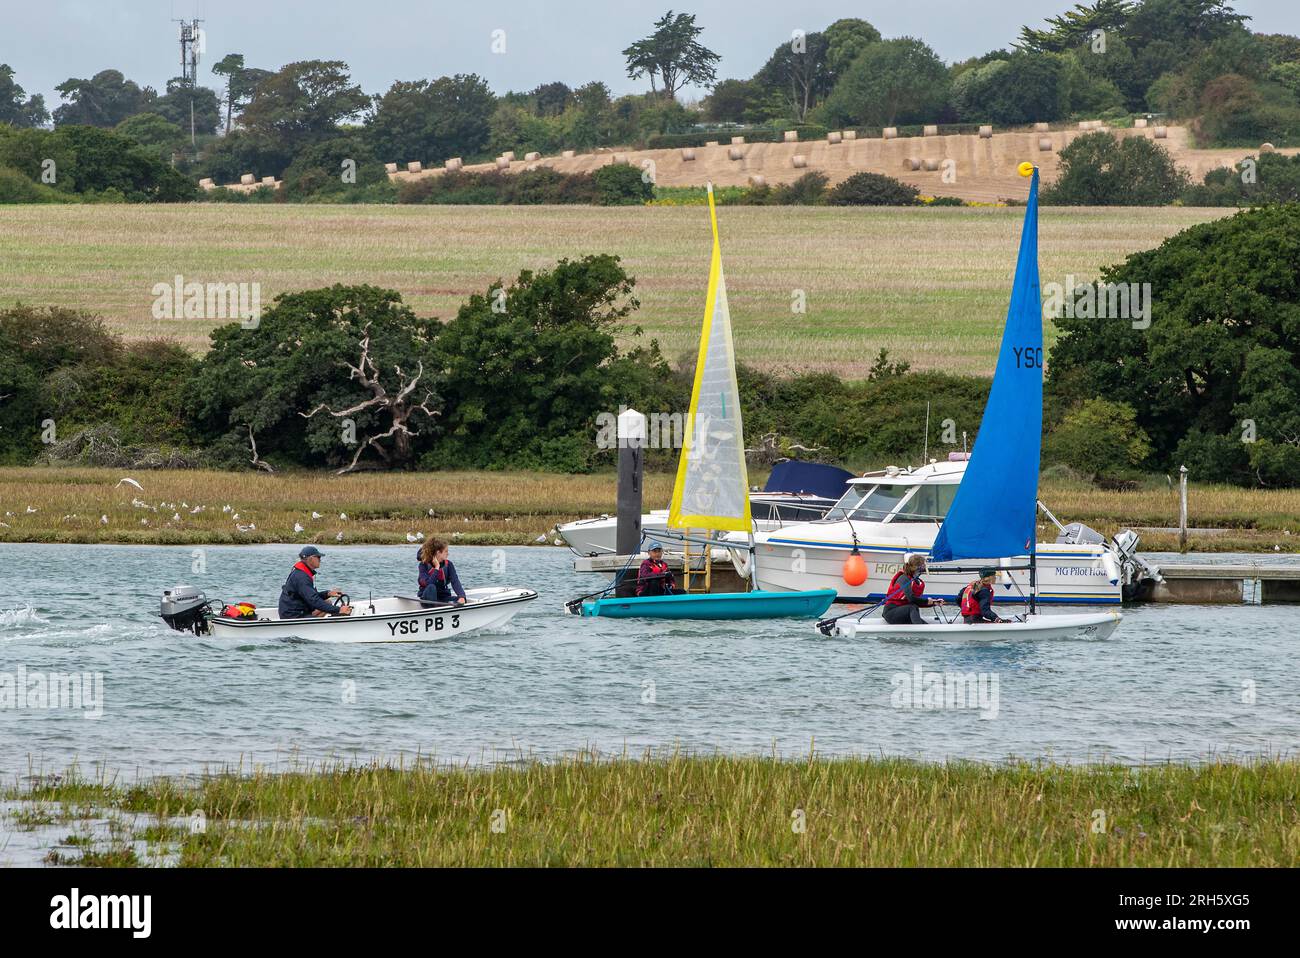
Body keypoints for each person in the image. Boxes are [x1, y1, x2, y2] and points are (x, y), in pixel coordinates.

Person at [278, 546, 351, 619]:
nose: (320, 560)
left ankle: (316, 625)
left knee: (327, 602)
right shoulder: (301, 577)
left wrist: (328, 593)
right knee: (327, 605)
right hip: (292, 615)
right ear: (311, 558)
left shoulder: (302, 572)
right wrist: (339, 610)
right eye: (318, 557)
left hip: (296, 610)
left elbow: (311, 596)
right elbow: (313, 600)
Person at [881, 554, 945, 625]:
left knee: (915, 609)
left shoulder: (915, 581)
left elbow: (916, 601)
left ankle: (921, 630)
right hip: (891, 612)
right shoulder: (904, 578)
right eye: (923, 566)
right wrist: (927, 601)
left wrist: (933, 603)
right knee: (913, 607)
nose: (924, 568)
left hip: (903, 612)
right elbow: (911, 598)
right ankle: (919, 631)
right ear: (917, 567)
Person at [418, 536, 467, 604]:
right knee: (431, 587)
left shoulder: (449, 564)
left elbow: (455, 581)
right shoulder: (423, 565)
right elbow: (429, 583)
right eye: (446, 551)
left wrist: (462, 596)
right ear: (438, 553)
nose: (448, 554)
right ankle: (432, 612)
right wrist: (437, 568)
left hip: (442, 597)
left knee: (462, 598)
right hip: (427, 599)